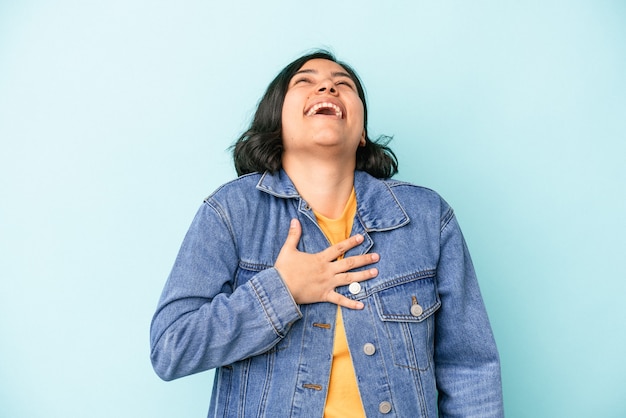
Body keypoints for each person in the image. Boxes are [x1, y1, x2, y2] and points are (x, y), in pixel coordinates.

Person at [150, 50, 504, 417]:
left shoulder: (427, 218)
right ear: (277, 122)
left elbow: (470, 370)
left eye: (344, 85)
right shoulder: (230, 212)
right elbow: (171, 348)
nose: (327, 86)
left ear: (362, 132)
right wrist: (280, 290)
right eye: (305, 81)